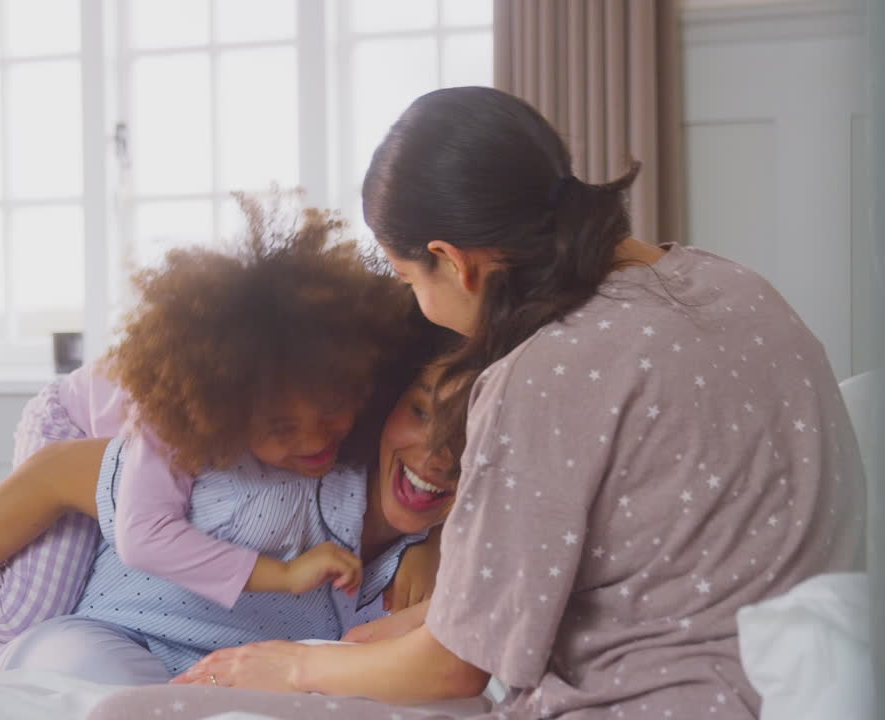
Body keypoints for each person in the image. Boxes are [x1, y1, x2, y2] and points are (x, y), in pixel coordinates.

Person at [89, 86, 866, 719]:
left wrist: (287, 666)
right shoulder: (730, 284)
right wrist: (351, 648)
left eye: (407, 279)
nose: (418, 308)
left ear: (452, 263)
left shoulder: (545, 372)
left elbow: (456, 668)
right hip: (799, 670)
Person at [0, 196, 446, 673]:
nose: (316, 442)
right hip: (74, 425)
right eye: (282, 431)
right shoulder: (172, 433)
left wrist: (430, 537)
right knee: (23, 604)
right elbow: (144, 537)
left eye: (335, 411)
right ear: (227, 417)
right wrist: (281, 574)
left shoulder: (329, 390)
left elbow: (432, 473)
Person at [0, 335, 459, 685]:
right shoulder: (220, 454)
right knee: (21, 603)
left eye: (468, 435)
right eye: (421, 408)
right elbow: (58, 479)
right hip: (81, 439)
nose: (438, 453)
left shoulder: (442, 548)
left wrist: (427, 549)